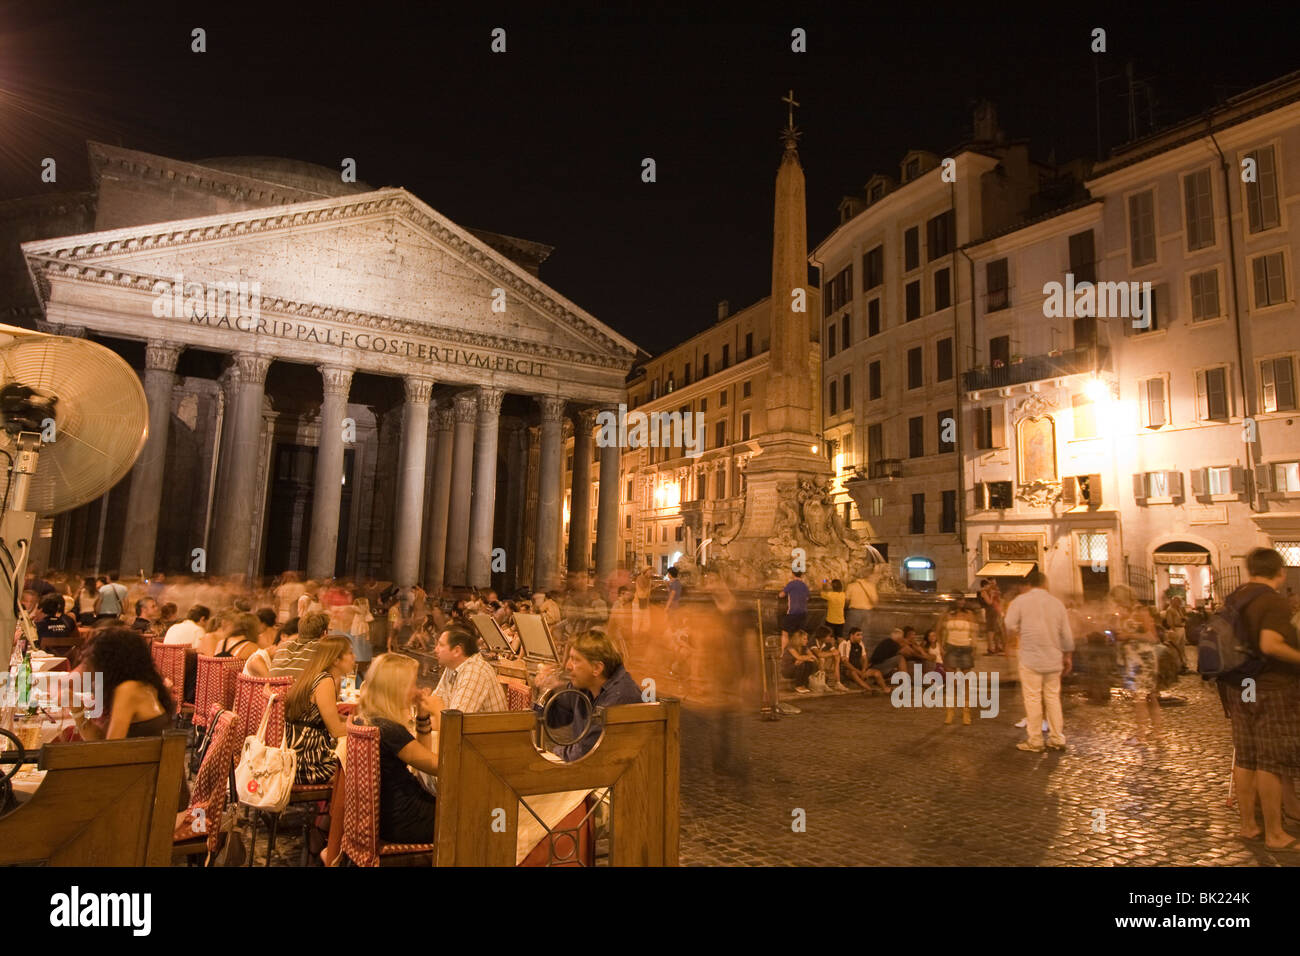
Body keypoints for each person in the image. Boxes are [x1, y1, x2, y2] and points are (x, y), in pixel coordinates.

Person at [1219, 548, 1300, 851]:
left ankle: (1248, 826)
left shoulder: (1236, 597)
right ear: (1279, 571)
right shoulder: (1272, 601)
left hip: (1242, 685)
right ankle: (1276, 834)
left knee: (1247, 754)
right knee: (1270, 759)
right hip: (1270, 686)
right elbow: (1270, 644)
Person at [355, 653, 438, 844]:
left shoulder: (367, 719)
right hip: (405, 819)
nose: (416, 690)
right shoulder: (389, 730)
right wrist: (440, 714)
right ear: (396, 689)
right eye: (412, 683)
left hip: (387, 816)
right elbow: (439, 767)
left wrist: (423, 715)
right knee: (484, 816)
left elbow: (422, 763)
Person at [532, 630, 643, 761]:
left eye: (575, 660)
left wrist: (552, 752)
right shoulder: (584, 686)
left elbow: (586, 752)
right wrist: (545, 690)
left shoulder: (621, 696)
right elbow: (551, 720)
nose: (568, 666)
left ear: (597, 668)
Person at [1003, 570, 1073, 752]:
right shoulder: (1056, 603)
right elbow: (1066, 634)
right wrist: (1067, 656)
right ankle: (1057, 738)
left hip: (1030, 657)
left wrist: (1021, 630)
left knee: (1032, 698)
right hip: (1053, 657)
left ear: (1028, 584)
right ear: (1044, 584)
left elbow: (1009, 624)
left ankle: (1035, 740)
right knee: (1053, 698)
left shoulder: (1020, 601)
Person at [71, 627, 175, 739]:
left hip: (136, 756)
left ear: (110, 662)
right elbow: (100, 740)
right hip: (141, 755)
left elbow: (110, 748)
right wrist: (76, 708)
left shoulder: (128, 690)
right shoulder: (145, 686)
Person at [284, 635, 354, 784]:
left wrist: (354, 721)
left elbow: (324, 717)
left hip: (294, 755)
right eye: (350, 653)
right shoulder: (324, 681)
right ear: (336, 660)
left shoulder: (313, 675)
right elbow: (335, 730)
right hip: (308, 762)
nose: (354, 657)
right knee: (358, 768)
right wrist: (368, 728)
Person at [427, 624, 508, 729]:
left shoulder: (476, 672)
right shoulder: (452, 665)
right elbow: (435, 701)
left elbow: (454, 724)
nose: (435, 649)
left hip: (489, 742)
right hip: (468, 738)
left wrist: (428, 715)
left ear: (457, 651)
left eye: (441, 645)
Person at [1109, 586, 1161, 745]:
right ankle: (1157, 732)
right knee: (1149, 696)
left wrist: (1129, 635)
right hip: (1132, 658)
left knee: (1141, 697)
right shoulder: (1124, 612)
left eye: (1118, 600)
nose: (1116, 603)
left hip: (1143, 659)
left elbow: (1152, 637)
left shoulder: (1141, 611)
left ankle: (1141, 735)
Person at [941, 602, 980, 725]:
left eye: (963, 599)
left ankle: (966, 712)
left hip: (965, 648)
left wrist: (974, 648)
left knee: (966, 682)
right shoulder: (948, 614)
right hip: (951, 647)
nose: (962, 602)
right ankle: (950, 711)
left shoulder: (969, 614)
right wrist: (941, 647)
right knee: (951, 682)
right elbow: (942, 631)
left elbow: (974, 633)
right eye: (959, 599)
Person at [270, 610, 331, 679]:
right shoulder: (320, 648)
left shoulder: (282, 646)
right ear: (325, 633)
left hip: (274, 688)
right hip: (300, 689)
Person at [838, 627, 889, 692]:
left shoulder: (860, 643)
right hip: (848, 670)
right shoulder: (845, 644)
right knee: (853, 673)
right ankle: (869, 690)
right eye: (858, 635)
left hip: (860, 669)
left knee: (877, 673)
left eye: (861, 635)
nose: (861, 637)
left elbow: (865, 658)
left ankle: (885, 689)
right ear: (851, 635)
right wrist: (859, 672)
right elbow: (846, 663)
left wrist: (864, 670)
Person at [242, 608, 282, 678]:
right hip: (275, 669)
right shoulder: (281, 636)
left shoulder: (258, 638)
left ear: (263, 624)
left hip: (261, 673)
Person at [780, 629, 820, 693]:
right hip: (788, 670)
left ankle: (803, 684)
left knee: (809, 663)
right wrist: (803, 658)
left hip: (798, 667)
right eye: (804, 639)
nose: (807, 641)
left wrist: (804, 658)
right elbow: (799, 657)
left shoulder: (804, 647)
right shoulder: (790, 647)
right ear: (798, 639)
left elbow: (813, 657)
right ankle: (798, 685)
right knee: (801, 663)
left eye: (806, 639)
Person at [779, 569, 810, 647]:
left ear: (793, 574)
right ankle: (799, 651)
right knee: (799, 634)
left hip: (792, 613)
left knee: (785, 633)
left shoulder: (791, 584)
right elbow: (807, 598)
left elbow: (781, 595)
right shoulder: (804, 585)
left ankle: (783, 653)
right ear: (801, 575)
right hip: (803, 613)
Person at [843, 568, 878, 638]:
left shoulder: (851, 586)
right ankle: (863, 647)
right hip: (867, 612)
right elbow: (875, 599)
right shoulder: (871, 586)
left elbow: (846, 599)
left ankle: (851, 647)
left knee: (851, 632)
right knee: (865, 633)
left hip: (854, 612)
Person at [1163, 595, 1189, 673]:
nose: (1179, 603)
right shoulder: (1170, 610)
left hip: (1181, 629)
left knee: (1182, 648)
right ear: (1174, 601)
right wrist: (1173, 631)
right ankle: (1177, 667)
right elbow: (1170, 622)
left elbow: (1181, 618)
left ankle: (1182, 665)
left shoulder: (1178, 609)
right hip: (1176, 629)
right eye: (1178, 601)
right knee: (1176, 648)